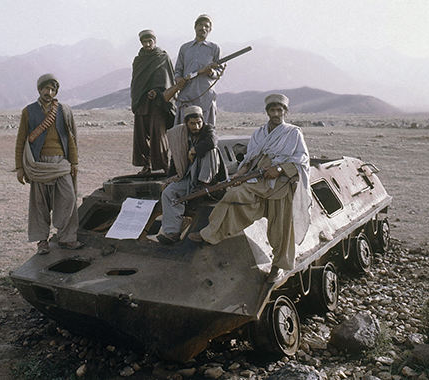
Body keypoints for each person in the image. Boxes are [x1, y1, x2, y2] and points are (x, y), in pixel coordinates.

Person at [189, 94, 311, 283]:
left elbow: (302, 162)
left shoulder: (293, 133)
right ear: (267, 112)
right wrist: (240, 174)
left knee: (280, 230)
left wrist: (278, 169)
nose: (276, 114)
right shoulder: (259, 133)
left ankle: (278, 267)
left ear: (285, 112)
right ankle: (210, 234)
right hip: (258, 180)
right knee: (233, 195)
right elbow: (249, 159)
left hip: (281, 185)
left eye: (280, 110)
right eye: (272, 110)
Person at [15, 73, 84, 255]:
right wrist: (20, 168)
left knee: (69, 197)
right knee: (40, 204)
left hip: (61, 162)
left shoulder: (64, 110)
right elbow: (21, 140)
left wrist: (74, 162)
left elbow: (71, 138)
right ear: (39, 89)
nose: (49, 92)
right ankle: (42, 241)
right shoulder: (28, 111)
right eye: (46, 88)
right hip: (38, 164)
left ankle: (66, 237)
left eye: (53, 89)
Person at [157, 105, 221, 244]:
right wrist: (169, 180)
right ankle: (172, 232)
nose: (196, 126)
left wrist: (194, 151)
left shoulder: (208, 129)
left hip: (205, 176)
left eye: (199, 123)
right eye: (192, 123)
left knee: (211, 150)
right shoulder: (179, 135)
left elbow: (212, 142)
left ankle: (202, 184)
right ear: (186, 123)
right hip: (187, 175)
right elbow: (175, 159)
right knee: (168, 193)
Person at [131, 29, 176, 174]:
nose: (147, 44)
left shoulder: (162, 57)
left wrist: (157, 90)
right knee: (141, 135)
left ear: (155, 41)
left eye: (150, 41)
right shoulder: (138, 60)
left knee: (158, 134)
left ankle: (163, 165)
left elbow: (167, 79)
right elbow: (136, 82)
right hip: (141, 102)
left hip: (158, 102)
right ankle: (147, 164)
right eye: (144, 42)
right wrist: (138, 96)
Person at [173, 14, 221, 126]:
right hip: (186, 96)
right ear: (195, 27)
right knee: (183, 132)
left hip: (205, 97)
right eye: (201, 25)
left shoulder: (215, 48)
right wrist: (178, 78)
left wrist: (211, 72)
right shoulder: (185, 48)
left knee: (206, 132)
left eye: (206, 26)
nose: (203, 28)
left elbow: (219, 72)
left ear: (210, 30)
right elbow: (178, 69)